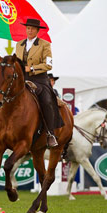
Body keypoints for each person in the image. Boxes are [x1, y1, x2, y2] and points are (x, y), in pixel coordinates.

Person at [16, 18, 64, 148]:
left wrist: (31, 68)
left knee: (47, 101)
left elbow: (48, 65)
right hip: (22, 79)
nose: (29, 30)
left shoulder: (45, 44)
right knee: (4, 94)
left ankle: (50, 133)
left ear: (37, 31)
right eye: (28, 28)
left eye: (32, 29)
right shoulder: (19, 44)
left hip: (39, 79)